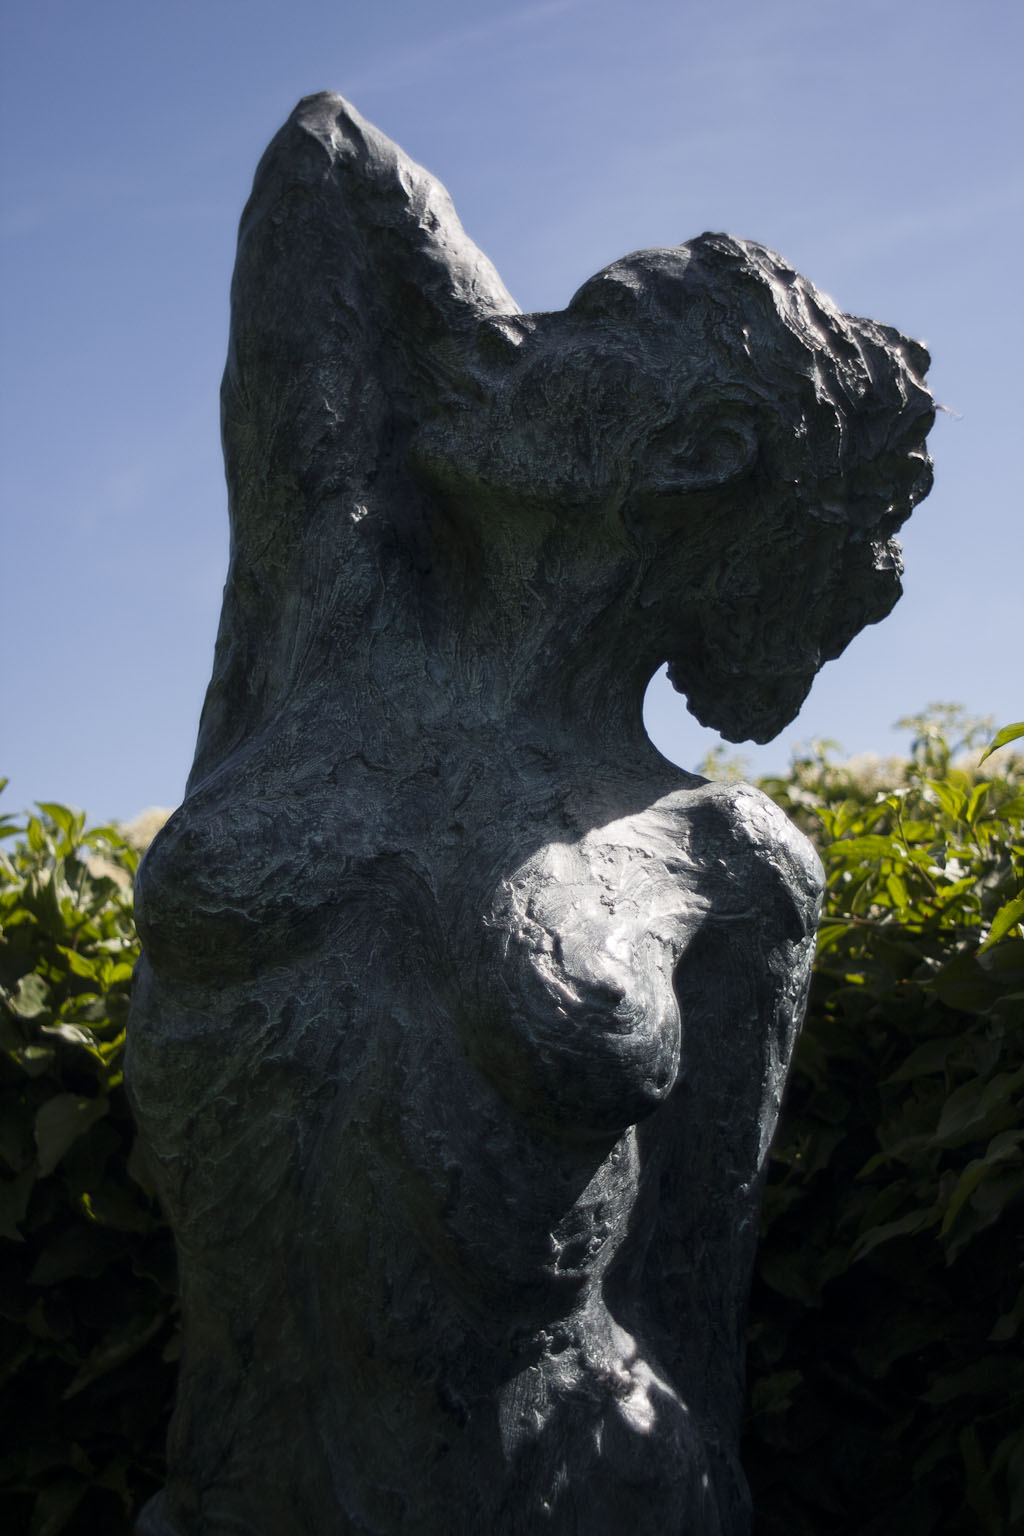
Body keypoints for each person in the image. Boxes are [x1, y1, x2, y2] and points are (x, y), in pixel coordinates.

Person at [129, 94, 933, 1535]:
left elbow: (695, 1310)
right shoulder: (331, 615)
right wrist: (495, 368)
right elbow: (327, 164)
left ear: (693, 455)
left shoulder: (733, 866)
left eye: (583, 327)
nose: (511, 335)